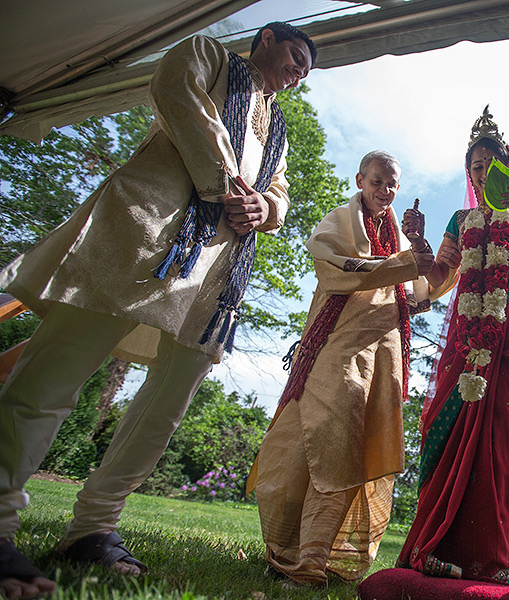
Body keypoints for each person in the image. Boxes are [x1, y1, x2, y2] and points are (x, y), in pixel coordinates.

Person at [0, 21, 316, 599]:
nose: (297, 72)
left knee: (169, 401)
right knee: (55, 373)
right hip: (145, 234)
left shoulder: (280, 132)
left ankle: (93, 527)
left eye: (304, 71)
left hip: (218, 273)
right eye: (295, 55)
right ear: (266, 37)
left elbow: (281, 194)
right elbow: (176, 91)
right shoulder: (207, 55)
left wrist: (264, 208)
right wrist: (230, 188)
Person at [394, 107, 509, 584]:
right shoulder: (461, 218)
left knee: (506, 431)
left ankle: (493, 559)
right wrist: (416, 241)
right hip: (469, 330)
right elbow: (438, 276)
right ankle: (434, 546)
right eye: (474, 167)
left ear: (507, 166)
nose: (482, 173)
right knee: (447, 417)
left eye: (490, 163)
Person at [248, 151, 436, 587]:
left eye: (391, 185)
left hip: (383, 358)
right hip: (336, 350)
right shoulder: (341, 220)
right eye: (377, 181)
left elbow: (419, 295)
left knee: (352, 448)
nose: (384, 191)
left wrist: (433, 255)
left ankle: (314, 559)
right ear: (360, 179)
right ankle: (294, 553)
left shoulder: (401, 239)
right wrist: (406, 264)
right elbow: (334, 270)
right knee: (313, 440)